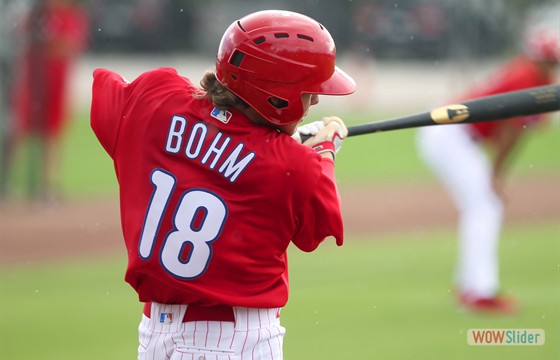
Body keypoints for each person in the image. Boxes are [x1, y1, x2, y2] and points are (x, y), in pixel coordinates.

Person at [91, 10, 356, 359]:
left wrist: (216, 126)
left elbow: (105, 88)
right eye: (307, 91)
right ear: (276, 97)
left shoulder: (154, 98)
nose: (316, 100)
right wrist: (323, 151)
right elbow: (317, 231)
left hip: (155, 337)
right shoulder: (293, 165)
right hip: (234, 342)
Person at [416, 26, 559, 314]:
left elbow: (510, 129)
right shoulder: (530, 79)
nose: (552, 68)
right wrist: (496, 174)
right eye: (551, 62)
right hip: (451, 134)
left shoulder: (526, 72)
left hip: (452, 133)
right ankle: (478, 291)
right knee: (484, 206)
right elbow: (511, 131)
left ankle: (472, 286)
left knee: (483, 206)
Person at [1, 0, 88, 201]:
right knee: (18, 130)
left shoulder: (70, 18)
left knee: (51, 135)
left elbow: (68, 46)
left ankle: (47, 186)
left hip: (55, 85)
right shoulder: (37, 16)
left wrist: (47, 45)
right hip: (32, 84)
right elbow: (23, 41)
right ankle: (8, 182)